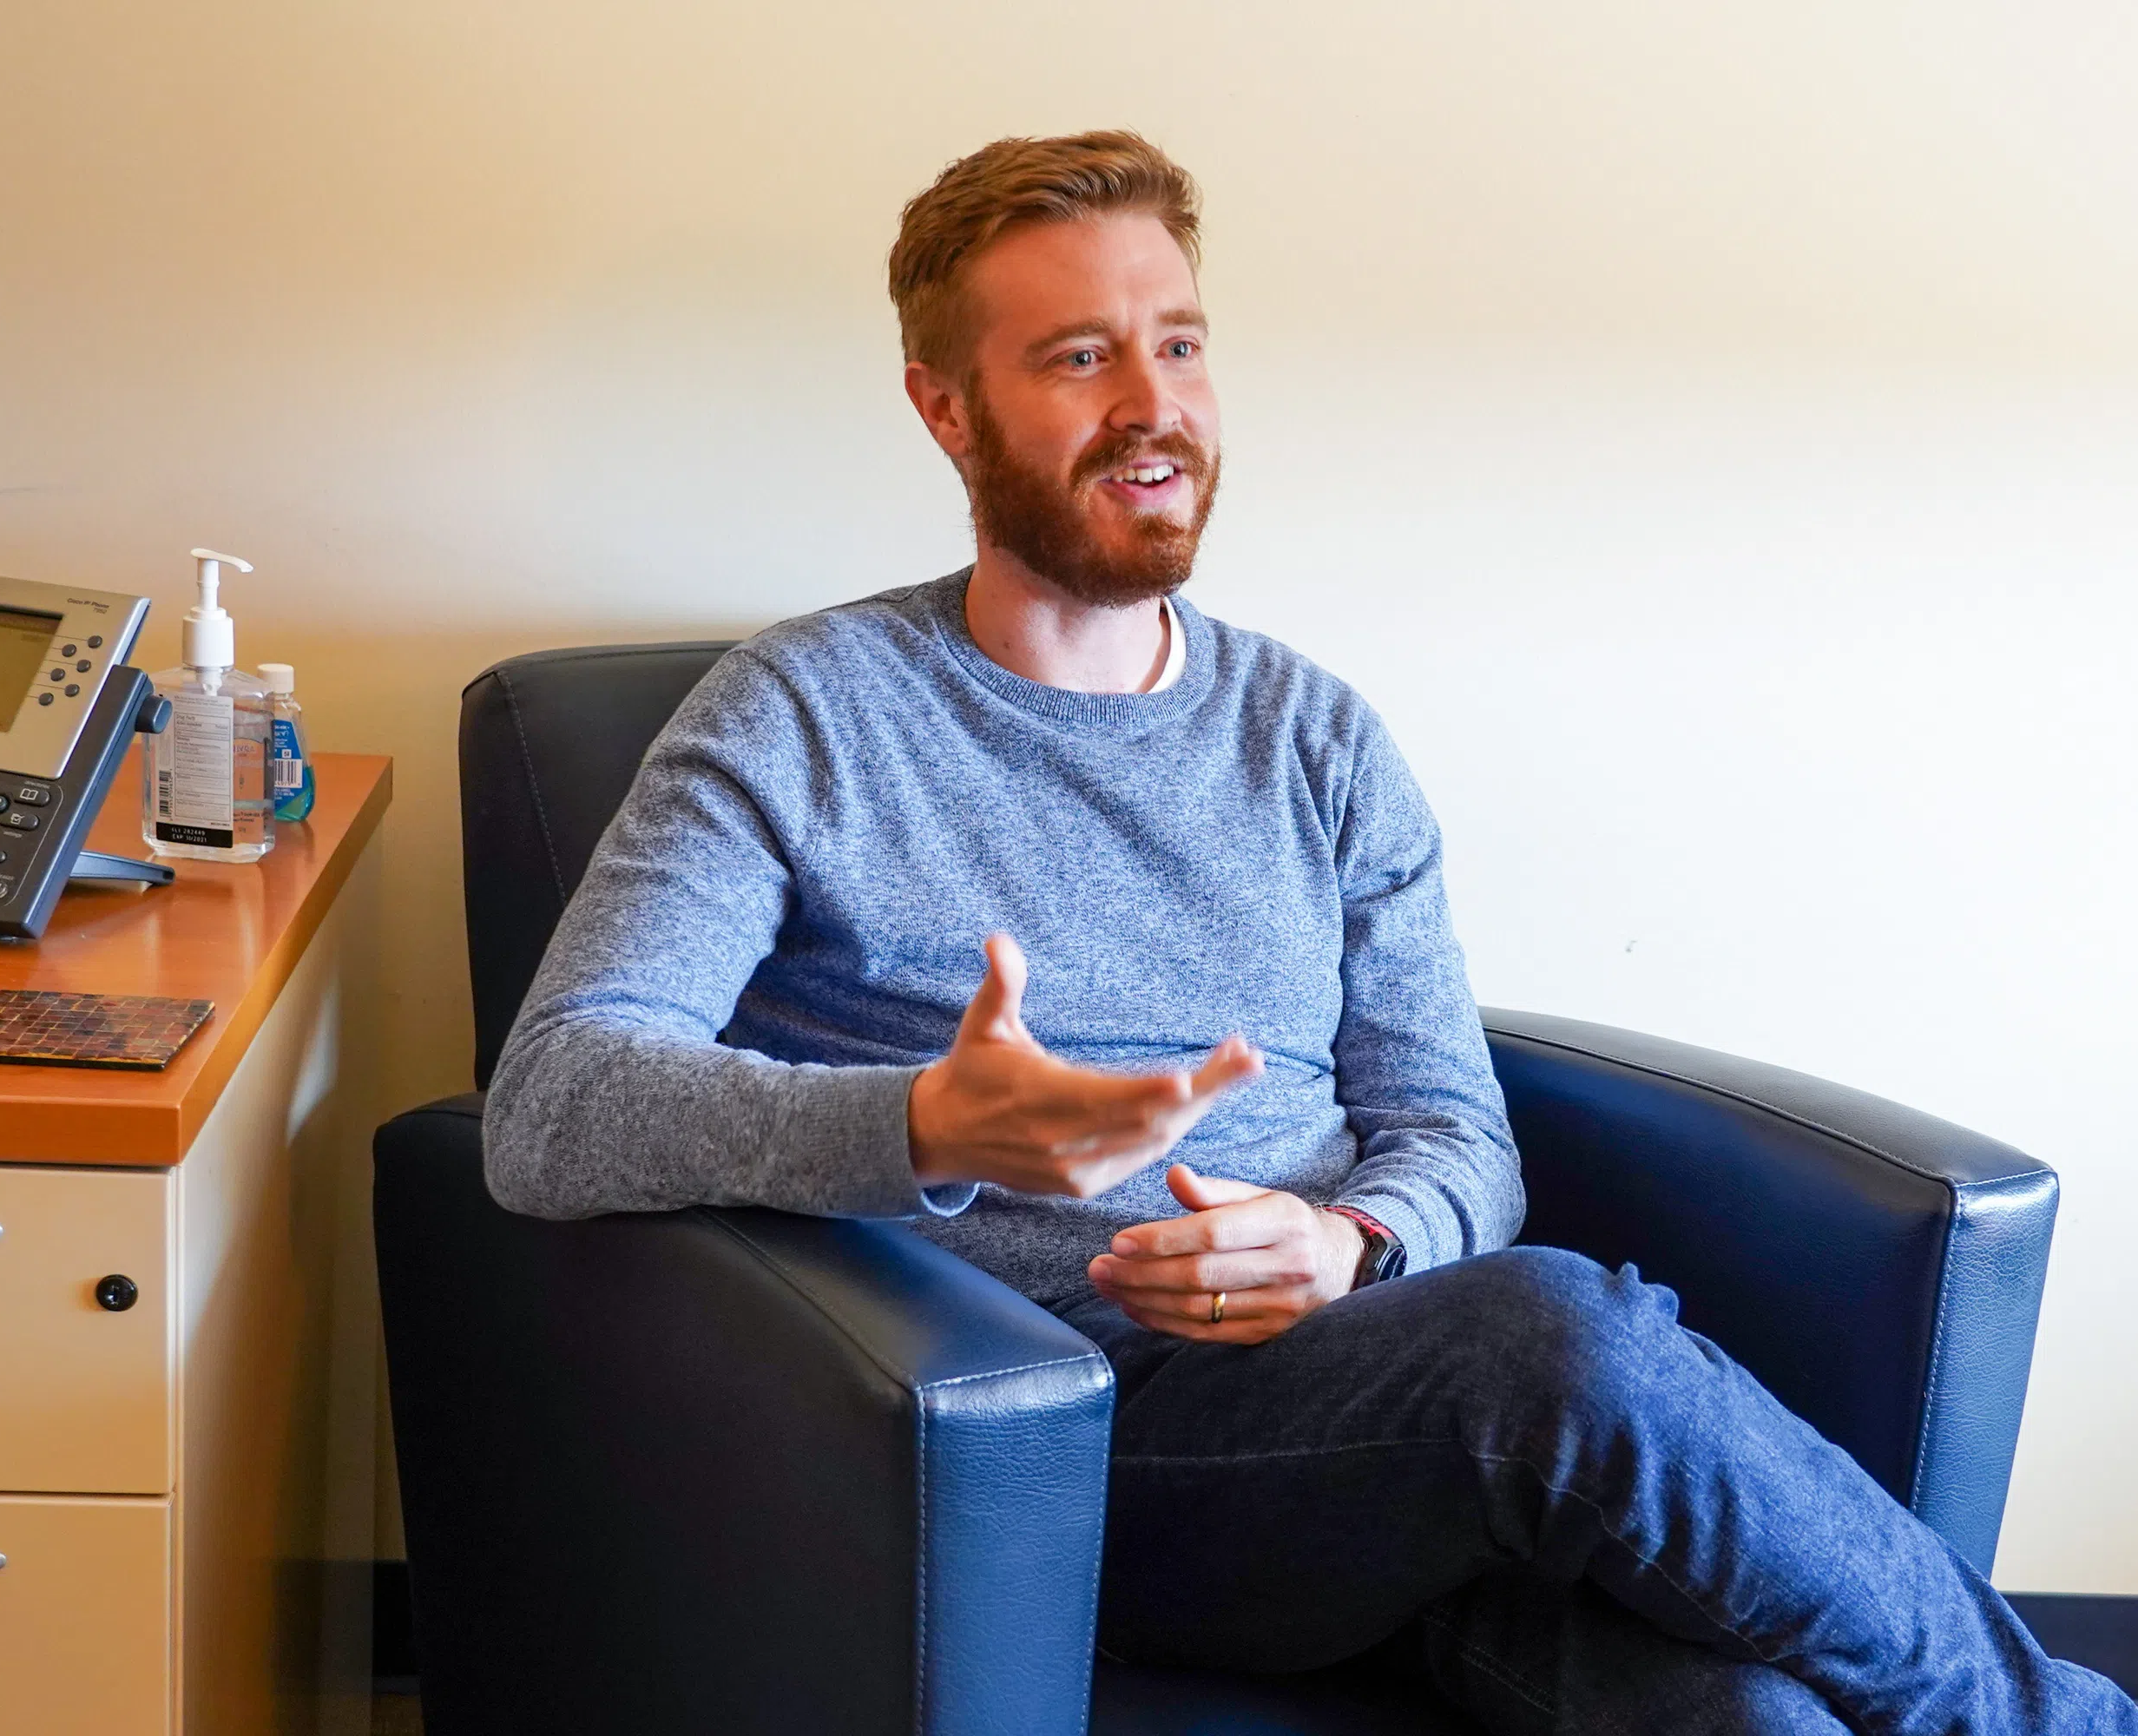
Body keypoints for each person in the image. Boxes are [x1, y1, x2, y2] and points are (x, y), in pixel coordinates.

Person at [482, 130, 2132, 1735]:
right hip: (1051, 1460)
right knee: (1551, 1335)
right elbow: (549, 1110)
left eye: (1179, 344)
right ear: (945, 407)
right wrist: (917, 1125)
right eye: (1077, 357)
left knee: (1754, 1715)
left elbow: (1454, 1132)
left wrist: (1357, 1247)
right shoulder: (802, 715)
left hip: (1383, 1437)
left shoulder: (1315, 738)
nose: (1154, 408)